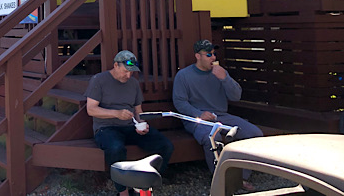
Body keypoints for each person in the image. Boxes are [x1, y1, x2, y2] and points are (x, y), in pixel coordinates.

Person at [173, 39, 263, 191]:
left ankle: (241, 178)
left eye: (214, 54)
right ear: (198, 56)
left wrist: (225, 79)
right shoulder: (184, 76)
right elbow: (180, 102)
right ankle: (220, 180)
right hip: (197, 120)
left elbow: (236, 96)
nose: (213, 58)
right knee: (213, 138)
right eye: (208, 54)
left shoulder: (221, 73)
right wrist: (199, 114)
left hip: (222, 116)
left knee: (255, 134)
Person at [86, 50, 174, 196]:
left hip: (130, 126)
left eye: (131, 72)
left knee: (166, 146)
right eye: (126, 71)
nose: (128, 76)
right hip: (106, 127)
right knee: (116, 148)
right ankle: (123, 191)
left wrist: (142, 125)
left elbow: (138, 111)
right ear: (116, 65)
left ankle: (145, 184)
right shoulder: (99, 80)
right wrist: (116, 113)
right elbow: (91, 109)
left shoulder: (133, 83)